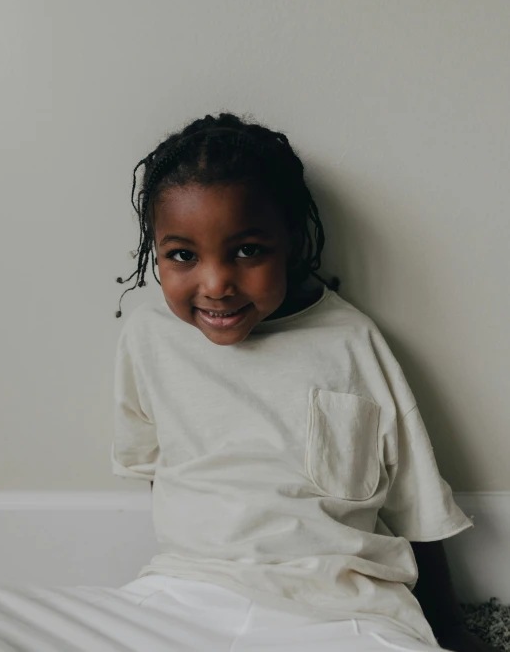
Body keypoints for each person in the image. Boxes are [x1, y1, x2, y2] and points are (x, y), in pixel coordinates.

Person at [110, 112, 494, 652]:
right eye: (183, 255)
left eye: (247, 251)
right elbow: (157, 469)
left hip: (343, 610)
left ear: (290, 239)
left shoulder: (350, 343)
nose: (216, 283)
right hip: (186, 594)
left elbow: (416, 508)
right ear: (156, 251)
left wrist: (451, 629)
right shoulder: (149, 337)